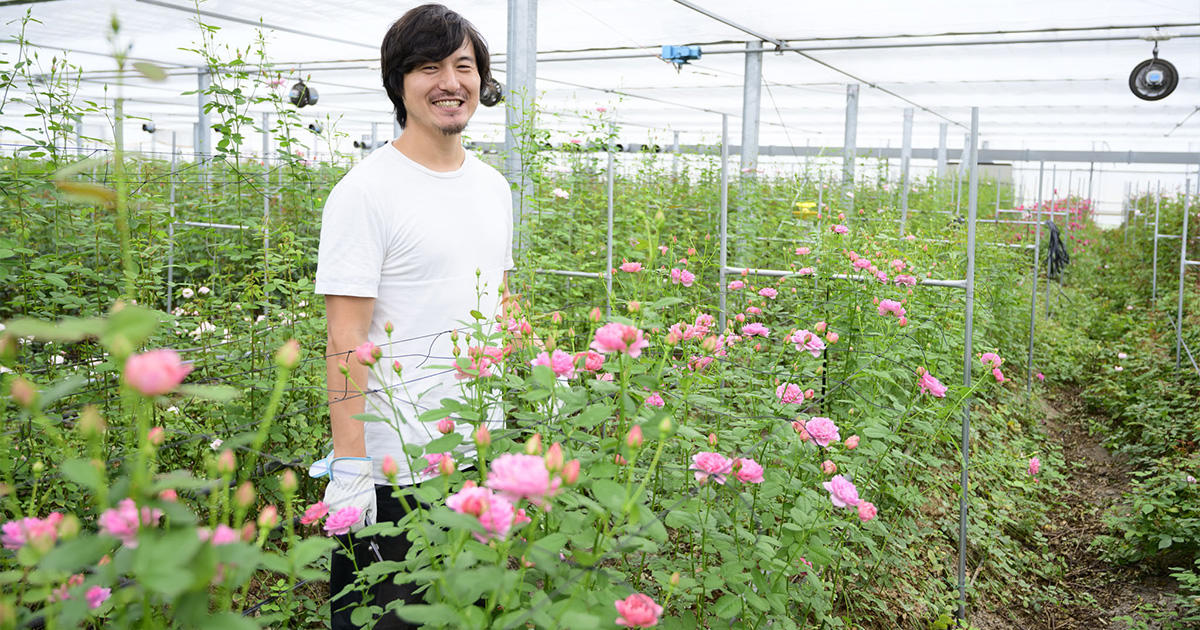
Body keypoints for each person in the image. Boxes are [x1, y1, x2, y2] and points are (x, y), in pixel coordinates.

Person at [311, 5, 512, 628]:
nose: (451, 82)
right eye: (429, 67)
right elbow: (346, 336)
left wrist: (537, 381)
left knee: (469, 610)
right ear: (399, 83)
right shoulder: (366, 191)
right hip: (395, 466)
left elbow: (497, 301)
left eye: (464, 65)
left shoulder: (492, 186)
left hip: (475, 447)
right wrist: (351, 468)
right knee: (387, 617)